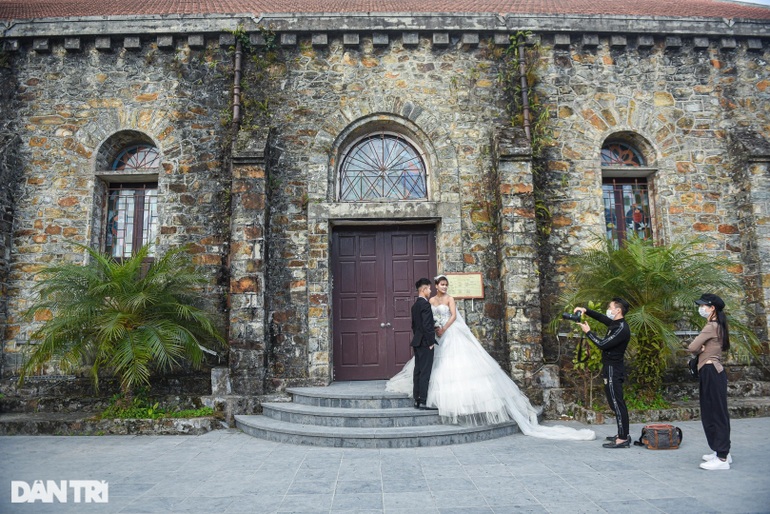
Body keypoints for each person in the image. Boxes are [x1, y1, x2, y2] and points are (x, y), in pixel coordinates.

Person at [387, 275, 595, 441]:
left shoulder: (449, 299)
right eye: (441, 284)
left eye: (445, 285)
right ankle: (422, 397)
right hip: (432, 336)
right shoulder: (428, 301)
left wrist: (444, 328)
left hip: (448, 333)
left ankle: (423, 398)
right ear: (432, 286)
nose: (442, 287)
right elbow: (424, 321)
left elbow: (451, 316)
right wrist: (434, 330)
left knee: (447, 366)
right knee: (427, 368)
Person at [574, 297, 631, 448]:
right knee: (614, 403)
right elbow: (601, 318)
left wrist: (588, 332)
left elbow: (602, 344)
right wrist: (586, 310)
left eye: (610, 307)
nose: (609, 309)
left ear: (618, 310)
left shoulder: (621, 328)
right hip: (610, 367)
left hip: (614, 369)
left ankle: (623, 438)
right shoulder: (616, 324)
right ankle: (621, 434)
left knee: (617, 404)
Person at [689, 293, 732, 470]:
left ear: (712, 308)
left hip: (710, 371)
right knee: (716, 411)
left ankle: (721, 457)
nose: (701, 308)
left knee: (714, 412)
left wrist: (700, 349)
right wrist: (702, 349)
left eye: (703, 306)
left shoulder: (711, 327)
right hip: (713, 371)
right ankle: (722, 452)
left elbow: (692, 347)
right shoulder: (718, 325)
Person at [411, 277, 438, 410]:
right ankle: (423, 400)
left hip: (417, 341)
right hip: (425, 342)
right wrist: (430, 341)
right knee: (425, 372)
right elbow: (427, 325)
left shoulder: (415, 305)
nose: (430, 290)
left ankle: (416, 399)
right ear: (423, 289)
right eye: (429, 288)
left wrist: (419, 338)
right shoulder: (425, 305)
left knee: (418, 370)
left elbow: (414, 326)